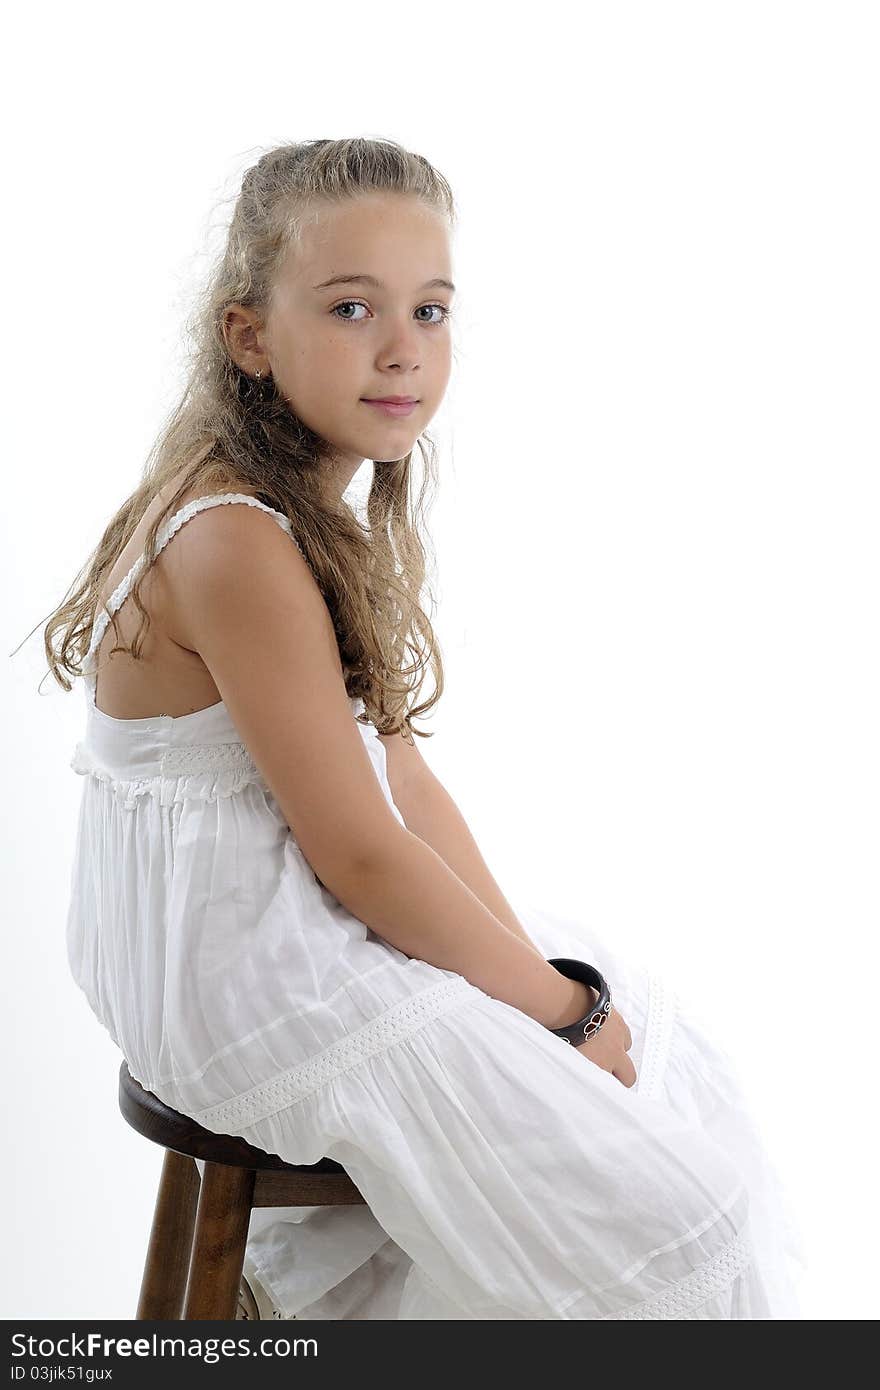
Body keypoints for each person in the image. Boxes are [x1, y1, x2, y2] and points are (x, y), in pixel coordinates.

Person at [46, 137, 806, 1319]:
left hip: (278, 917)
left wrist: (562, 994)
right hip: (236, 973)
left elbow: (406, 792)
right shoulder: (236, 538)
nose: (403, 349)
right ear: (248, 335)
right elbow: (360, 851)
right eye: (352, 308)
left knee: (662, 1050)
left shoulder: (305, 517)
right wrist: (557, 1017)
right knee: (670, 1205)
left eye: (432, 310)